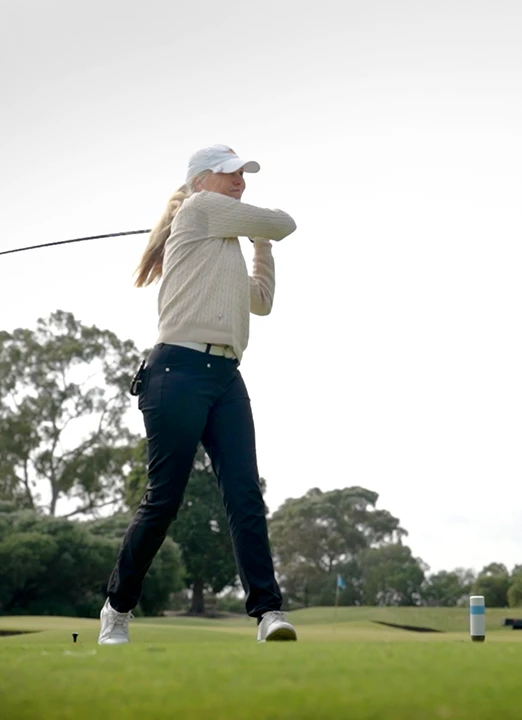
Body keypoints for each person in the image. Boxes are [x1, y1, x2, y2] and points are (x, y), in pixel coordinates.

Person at [98, 144, 298, 645]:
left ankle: (268, 613)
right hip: (178, 370)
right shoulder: (200, 209)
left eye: (243, 175)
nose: (240, 182)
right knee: (164, 499)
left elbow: (262, 302)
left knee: (245, 494)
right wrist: (264, 231)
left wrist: (261, 249)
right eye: (231, 174)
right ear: (201, 180)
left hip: (226, 375)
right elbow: (285, 220)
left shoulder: (221, 241)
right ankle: (116, 610)